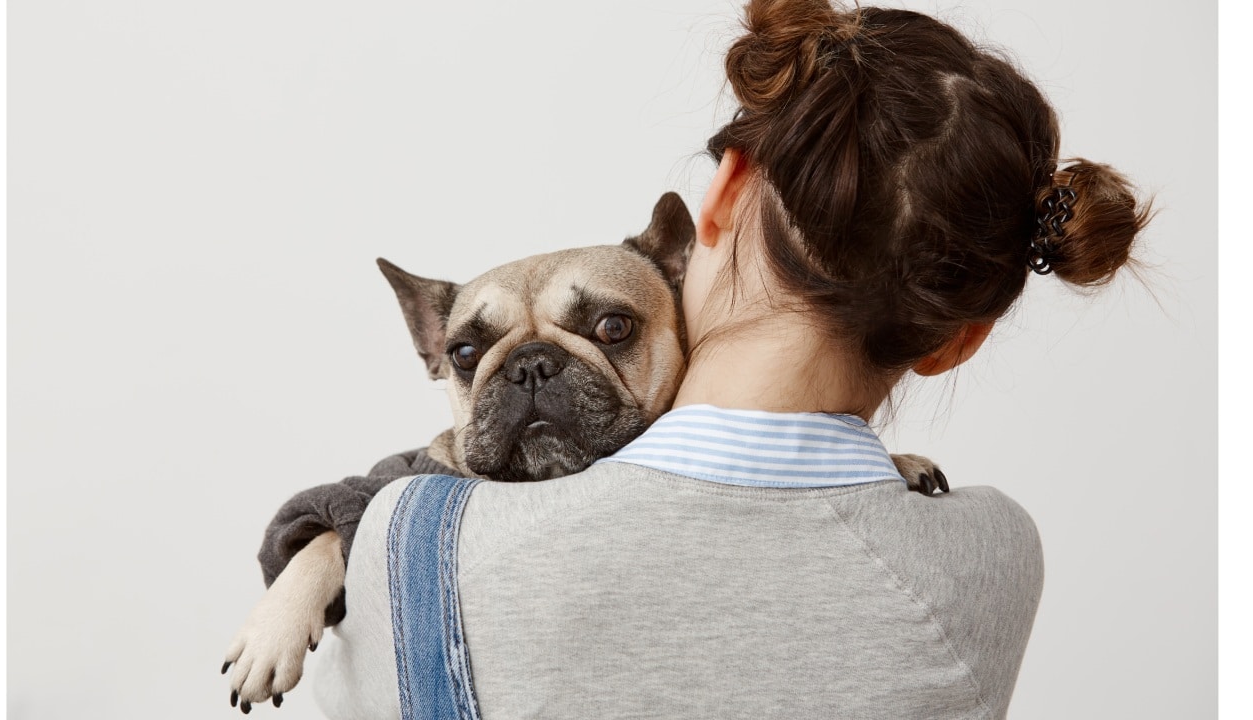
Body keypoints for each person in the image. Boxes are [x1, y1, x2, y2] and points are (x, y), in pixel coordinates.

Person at [309, 0, 1151, 717]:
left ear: (721, 194)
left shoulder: (413, 544)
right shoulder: (993, 553)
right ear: (956, 339)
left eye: (606, 331)